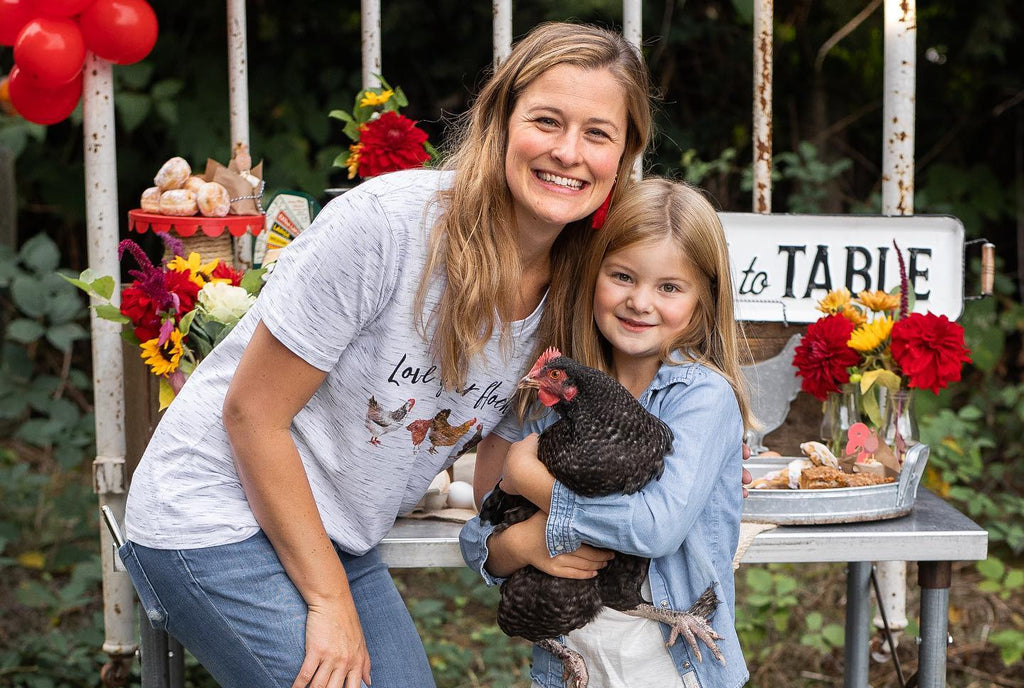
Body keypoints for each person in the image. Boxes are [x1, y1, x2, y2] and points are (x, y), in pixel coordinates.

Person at [117, 21, 654, 688]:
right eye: (547, 121)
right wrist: (328, 601)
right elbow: (252, 414)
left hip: (335, 533)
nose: (569, 152)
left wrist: (571, 521)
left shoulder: (578, 289)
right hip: (210, 515)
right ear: (501, 119)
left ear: (625, 152)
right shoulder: (390, 226)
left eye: (598, 133)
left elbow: (496, 472)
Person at [461, 178, 754, 688]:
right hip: (572, 667)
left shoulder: (700, 399)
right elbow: (478, 541)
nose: (640, 302)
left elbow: (655, 529)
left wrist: (529, 480)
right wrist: (524, 545)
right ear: (592, 277)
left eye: (669, 287)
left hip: (671, 667)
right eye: (622, 276)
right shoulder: (560, 397)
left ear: (702, 302)